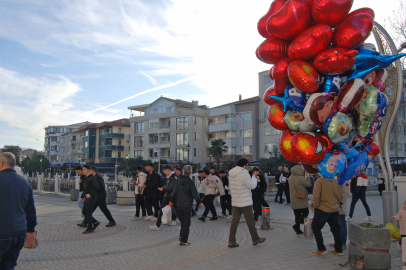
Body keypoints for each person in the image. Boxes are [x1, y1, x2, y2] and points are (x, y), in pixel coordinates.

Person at [0, 152, 37, 269]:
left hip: (2, 234)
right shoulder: (25, 183)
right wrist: (31, 230)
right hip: (19, 235)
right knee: (9, 266)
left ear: (0, 163)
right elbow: (30, 210)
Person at [228, 158, 266, 248]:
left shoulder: (232, 173)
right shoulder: (244, 174)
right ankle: (255, 239)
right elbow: (252, 186)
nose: (248, 167)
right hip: (245, 201)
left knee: (234, 222)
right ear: (244, 165)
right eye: (247, 165)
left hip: (236, 201)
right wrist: (253, 177)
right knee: (250, 221)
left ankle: (231, 241)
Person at [310, 174, 343, 256]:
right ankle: (339, 249)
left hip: (323, 208)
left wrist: (316, 205)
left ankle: (321, 248)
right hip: (334, 208)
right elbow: (340, 195)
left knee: (315, 227)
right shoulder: (335, 181)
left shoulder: (320, 181)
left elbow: (316, 195)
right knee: (336, 229)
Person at [170, 165, 203, 246]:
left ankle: (181, 237)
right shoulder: (190, 181)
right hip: (187, 205)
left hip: (179, 204)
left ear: (183, 171)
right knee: (186, 223)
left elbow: (174, 192)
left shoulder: (178, 180)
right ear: (190, 172)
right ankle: (184, 240)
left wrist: (170, 201)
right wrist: (200, 202)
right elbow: (195, 193)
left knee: (183, 222)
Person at [149, 165, 177, 230]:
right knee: (162, 210)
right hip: (168, 196)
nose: (164, 172)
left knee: (176, 210)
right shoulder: (170, 177)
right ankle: (157, 225)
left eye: (164, 171)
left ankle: (182, 223)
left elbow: (172, 188)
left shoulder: (173, 178)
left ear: (168, 169)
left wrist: (163, 188)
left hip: (170, 197)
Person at [289, 166, 312, 234]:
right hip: (301, 198)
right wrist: (308, 177)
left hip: (293, 198)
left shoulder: (290, 178)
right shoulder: (300, 178)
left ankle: (298, 229)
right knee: (305, 212)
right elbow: (308, 184)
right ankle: (296, 225)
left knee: (297, 214)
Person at [330, 179, 350, 250]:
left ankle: (343, 243)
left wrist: (340, 202)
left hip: (340, 206)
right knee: (335, 225)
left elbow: (346, 193)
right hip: (334, 206)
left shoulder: (344, 179)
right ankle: (337, 241)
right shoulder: (335, 178)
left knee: (341, 224)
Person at [79, 165, 99, 234]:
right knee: (84, 212)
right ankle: (95, 222)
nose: (83, 171)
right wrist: (81, 197)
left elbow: (96, 187)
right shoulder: (86, 178)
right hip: (86, 198)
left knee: (88, 213)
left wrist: (90, 194)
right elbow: (85, 189)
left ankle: (90, 228)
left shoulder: (92, 178)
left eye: (84, 169)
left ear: (88, 170)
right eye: (82, 169)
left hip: (91, 198)